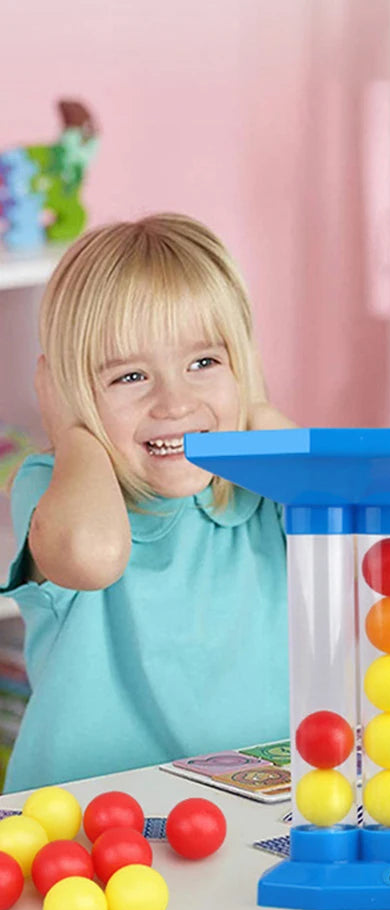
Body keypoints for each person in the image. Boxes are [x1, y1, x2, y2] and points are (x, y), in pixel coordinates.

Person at [1, 214, 297, 794]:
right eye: (130, 376)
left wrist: (258, 413)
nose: (174, 401)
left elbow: (366, 531)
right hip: (86, 827)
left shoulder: (273, 492)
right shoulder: (54, 487)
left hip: (250, 816)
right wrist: (73, 432)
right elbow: (92, 555)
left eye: (205, 363)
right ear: (68, 390)